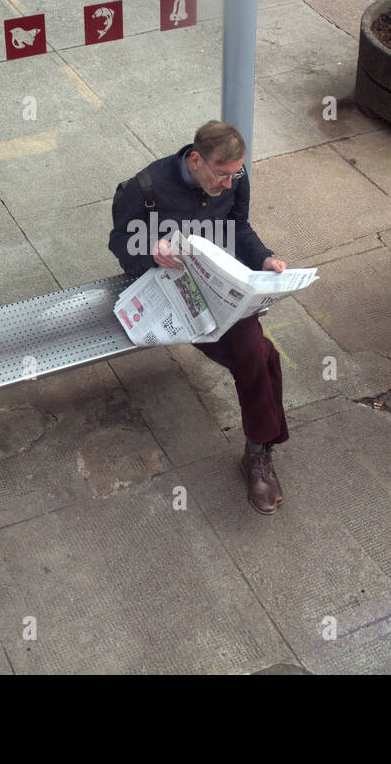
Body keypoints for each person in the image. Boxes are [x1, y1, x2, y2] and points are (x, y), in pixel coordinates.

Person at [109, 120, 290, 515]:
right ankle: (259, 453)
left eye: (235, 174)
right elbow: (119, 241)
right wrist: (150, 252)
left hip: (220, 284)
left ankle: (258, 450)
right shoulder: (146, 187)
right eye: (221, 175)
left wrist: (264, 258)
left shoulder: (234, 179)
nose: (229, 184)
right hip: (171, 290)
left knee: (255, 350)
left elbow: (239, 226)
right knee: (261, 355)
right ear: (195, 160)